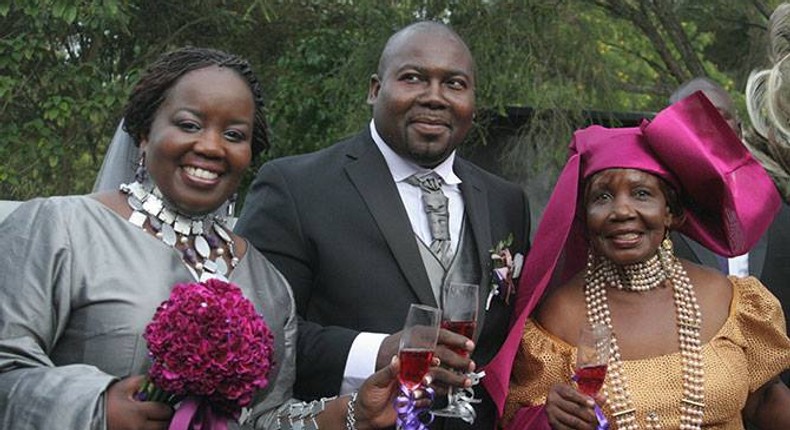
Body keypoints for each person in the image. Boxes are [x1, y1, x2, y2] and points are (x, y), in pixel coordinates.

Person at [0, 47, 414, 430]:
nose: (212, 146)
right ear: (144, 133)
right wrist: (97, 405)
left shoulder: (267, 284)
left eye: (234, 135)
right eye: (189, 125)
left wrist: (349, 412)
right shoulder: (61, 227)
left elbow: (263, 418)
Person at [236, 21, 530, 429]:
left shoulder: (506, 201)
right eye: (413, 78)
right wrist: (380, 352)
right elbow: (254, 336)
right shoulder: (295, 187)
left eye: (454, 84)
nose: (434, 97)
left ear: (473, 102)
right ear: (375, 89)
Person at [498, 92, 790, 429]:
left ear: (672, 213)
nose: (621, 211)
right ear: (584, 216)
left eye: (641, 194)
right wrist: (547, 417)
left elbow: (766, 400)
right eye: (602, 196)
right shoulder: (558, 315)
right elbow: (517, 417)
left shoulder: (727, 298)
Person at [669, 77, 790, 340]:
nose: (710, 126)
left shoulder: (779, 208)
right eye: (696, 118)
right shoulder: (655, 220)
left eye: (719, 116)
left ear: (739, 130)